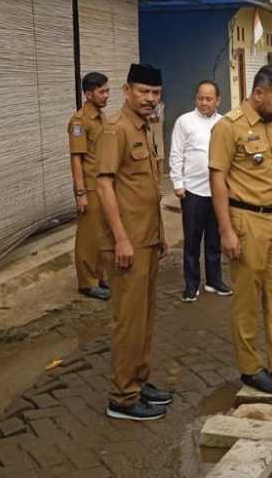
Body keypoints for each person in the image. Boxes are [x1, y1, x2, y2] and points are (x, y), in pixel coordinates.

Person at [209, 64, 272, 396]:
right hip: (246, 222)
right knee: (247, 301)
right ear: (258, 93)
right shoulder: (229, 127)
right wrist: (225, 231)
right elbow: (217, 180)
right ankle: (251, 368)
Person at [96, 63, 173, 421]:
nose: (150, 99)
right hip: (127, 244)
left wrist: (159, 236)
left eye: (155, 93)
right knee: (128, 320)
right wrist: (122, 239)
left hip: (147, 240)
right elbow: (104, 185)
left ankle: (139, 382)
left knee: (144, 317)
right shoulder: (117, 130)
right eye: (143, 91)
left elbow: (144, 188)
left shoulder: (145, 128)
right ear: (127, 91)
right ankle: (122, 398)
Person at [170, 80, 232, 302]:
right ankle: (191, 285)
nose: (204, 102)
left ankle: (214, 282)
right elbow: (176, 153)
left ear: (218, 100)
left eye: (208, 99)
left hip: (218, 193)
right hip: (192, 193)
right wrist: (178, 183)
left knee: (215, 240)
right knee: (192, 242)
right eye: (200, 98)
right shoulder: (184, 122)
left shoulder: (225, 123)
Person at [67, 72, 111, 301]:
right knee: (88, 236)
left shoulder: (102, 118)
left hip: (104, 185)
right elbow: (76, 158)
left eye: (107, 90)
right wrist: (80, 193)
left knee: (103, 235)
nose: (106, 95)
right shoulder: (79, 121)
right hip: (90, 186)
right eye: (101, 91)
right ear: (88, 93)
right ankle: (86, 282)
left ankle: (99, 276)